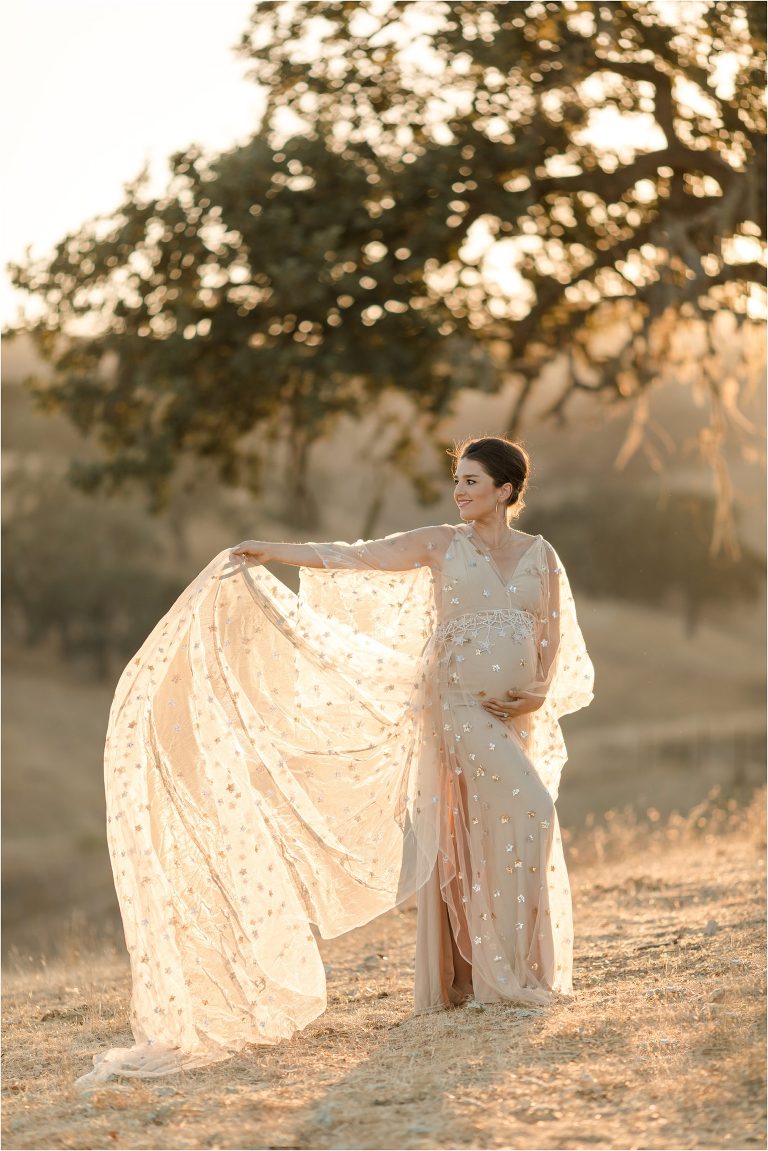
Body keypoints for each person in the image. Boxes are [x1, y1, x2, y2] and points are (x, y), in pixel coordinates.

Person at [75, 435, 594, 1089]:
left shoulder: (539, 555)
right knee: (532, 808)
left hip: (515, 716)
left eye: (471, 481)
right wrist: (270, 550)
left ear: (506, 490)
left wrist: (540, 687)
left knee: (501, 833)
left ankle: (513, 973)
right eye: (456, 480)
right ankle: (506, 977)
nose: (458, 492)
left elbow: (550, 629)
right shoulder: (441, 544)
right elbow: (357, 558)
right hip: (459, 711)